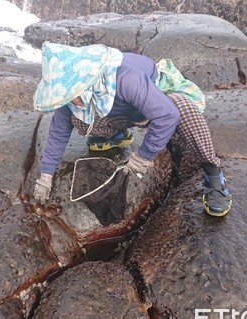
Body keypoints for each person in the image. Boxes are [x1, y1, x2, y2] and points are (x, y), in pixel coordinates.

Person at [31, 42, 232, 217]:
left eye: (72, 93)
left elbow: (167, 115)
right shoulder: (71, 101)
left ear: (86, 80)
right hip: (122, 111)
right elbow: (58, 133)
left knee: (182, 109)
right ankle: (116, 135)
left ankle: (213, 173)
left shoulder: (126, 79)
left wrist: (144, 155)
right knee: (81, 120)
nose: (71, 100)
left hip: (156, 95)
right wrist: (46, 175)